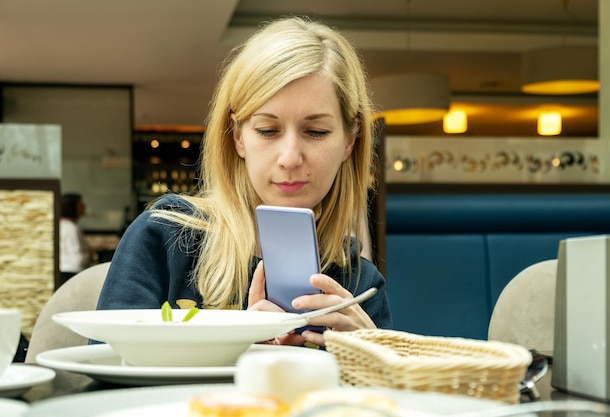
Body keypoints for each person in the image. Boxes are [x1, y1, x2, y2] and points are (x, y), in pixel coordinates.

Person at [96, 16, 392, 348]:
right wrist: (238, 357)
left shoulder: (359, 284)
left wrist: (372, 359)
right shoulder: (165, 239)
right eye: (268, 130)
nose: (290, 157)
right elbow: (106, 377)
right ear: (238, 137)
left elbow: (384, 401)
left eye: (316, 132)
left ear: (349, 141)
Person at [59, 193, 91, 285]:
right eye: (81, 203)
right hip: (71, 274)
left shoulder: (61, 225)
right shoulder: (71, 228)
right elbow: (78, 260)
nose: (84, 206)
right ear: (72, 207)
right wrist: (90, 252)